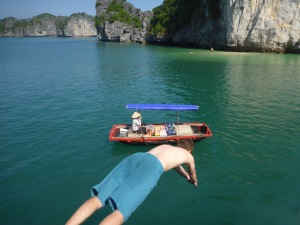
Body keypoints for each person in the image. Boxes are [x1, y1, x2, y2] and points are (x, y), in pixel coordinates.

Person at [66, 139, 197, 225]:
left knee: (99, 198)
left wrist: (185, 176)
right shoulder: (188, 156)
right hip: (152, 167)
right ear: (189, 150)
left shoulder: (166, 146)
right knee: (121, 211)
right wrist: (193, 180)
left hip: (138, 157)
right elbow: (193, 173)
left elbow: (175, 165)